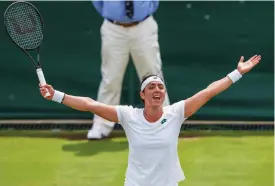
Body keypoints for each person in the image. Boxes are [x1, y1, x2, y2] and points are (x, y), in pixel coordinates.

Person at [39, 55, 261, 186]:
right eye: (151, 87)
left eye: (160, 87)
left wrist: (237, 73)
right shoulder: (128, 115)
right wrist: (56, 95)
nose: (157, 90)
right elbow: (90, 104)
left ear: (164, 94)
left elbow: (208, 92)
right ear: (143, 95)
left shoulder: (177, 112)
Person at [88, 0, 170, 140]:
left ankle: (163, 124)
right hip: (113, 28)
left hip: (143, 26)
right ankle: (101, 125)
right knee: (110, 78)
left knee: (153, 77)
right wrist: (111, 14)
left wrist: (145, 10)